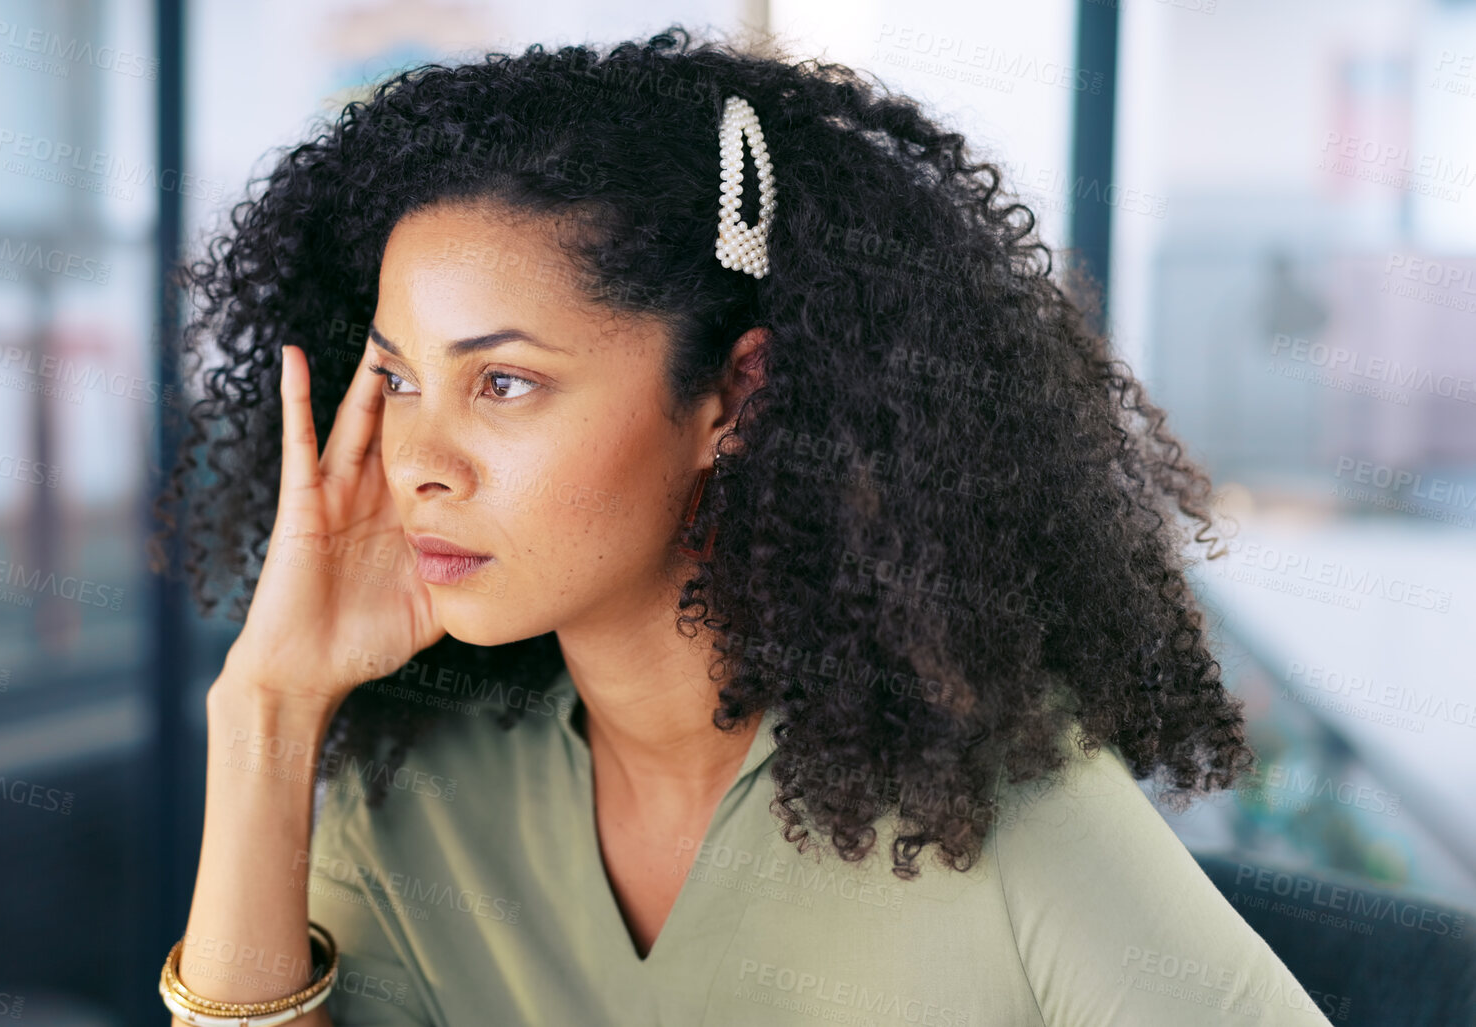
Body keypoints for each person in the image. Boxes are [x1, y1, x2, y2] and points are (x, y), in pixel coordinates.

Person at [148, 25, 1338, 1027]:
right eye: (399, 379)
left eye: (503, 384)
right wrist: (265, 711)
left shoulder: (999, 806)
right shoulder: (415, 780)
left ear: (737, 396)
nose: (418, 465)